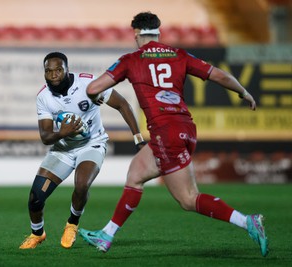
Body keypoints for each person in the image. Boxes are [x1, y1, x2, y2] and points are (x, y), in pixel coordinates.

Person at [78, 12, 269, 257]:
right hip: (185, 128)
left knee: (188, 199)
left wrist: (94, 98)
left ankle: (247, 222)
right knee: (136, 174)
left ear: (136, 33)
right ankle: (106, 235)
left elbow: (93, 88)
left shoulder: (131, 59)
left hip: (165, 132)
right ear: (158, 32)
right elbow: (219, 75)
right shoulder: (179, 55)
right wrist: (243, 92)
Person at [19, 52, 144, 249]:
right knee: (35, 198)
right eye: (48, 71)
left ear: (67, 70)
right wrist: (64, 132)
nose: (53, 75)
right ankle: (37, 234)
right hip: (63, 150)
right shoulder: (44, 97)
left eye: (58, 70)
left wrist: (138, 138)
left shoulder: (89, 85)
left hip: (92, 144)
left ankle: (72, 224)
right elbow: (45, 137)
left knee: (82, 184)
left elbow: (122, 105)